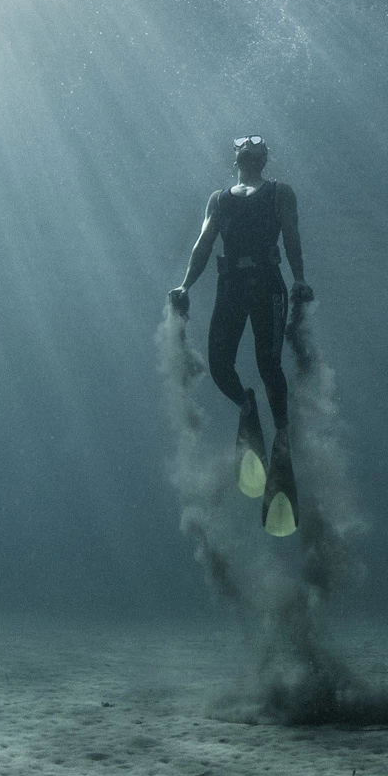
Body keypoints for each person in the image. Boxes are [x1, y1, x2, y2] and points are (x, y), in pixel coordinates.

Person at [169, 136, 312, 536]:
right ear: (235, 157)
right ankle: (246, 406)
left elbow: (293, 237)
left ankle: (280, 435)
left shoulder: (282, 193)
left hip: (268, 283)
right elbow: (203, 243)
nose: (248, 148)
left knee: (269, 364)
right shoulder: (219, 199)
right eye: (242, 145)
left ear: (265, 158)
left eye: (256, 145)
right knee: (219, 364)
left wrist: (299, 279)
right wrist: (184, 286)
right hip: (230, 283)